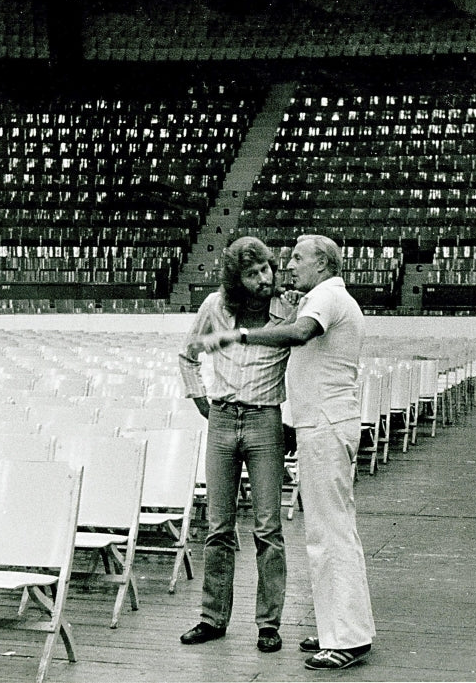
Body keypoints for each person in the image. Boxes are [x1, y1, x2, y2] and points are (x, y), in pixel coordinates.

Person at [191, 234, 375, 671]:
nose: (289, 266)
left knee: (330, 535)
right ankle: (339, 629)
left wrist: (242, 334)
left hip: (326, 425)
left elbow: (298, 333)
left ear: (324, 265)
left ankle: (346, 639)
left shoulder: (326, 299)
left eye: (297, 258)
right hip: (318, 424)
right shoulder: (324, 295)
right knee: (328, 533)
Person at [178, 236, 295, 654]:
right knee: (218, 528)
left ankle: (268, 623)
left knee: (268, 528)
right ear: (237, 280)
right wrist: (199, 399)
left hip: (266, 420)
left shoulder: (290, 309)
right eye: (253, 273)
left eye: (267, 268)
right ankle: (213, 619)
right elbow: (189, 354)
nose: (264, 278)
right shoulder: (216, 307)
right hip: (223, 419)